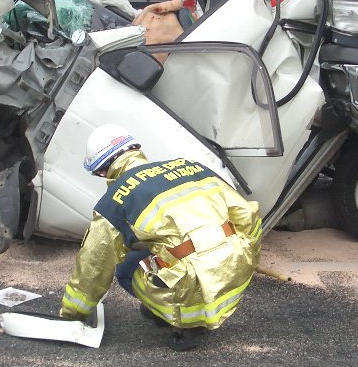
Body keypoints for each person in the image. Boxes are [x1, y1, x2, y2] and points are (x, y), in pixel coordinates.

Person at [59, 124, 263, 351]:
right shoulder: (190, 166)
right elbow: (247, 215)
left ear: (103, 171)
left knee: (126, 268)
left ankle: (186, 323)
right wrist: (248, 256)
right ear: (136, 149)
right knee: (162, 251)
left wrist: (73, 313)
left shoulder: (116, 199)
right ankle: (170, 305)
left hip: (195, 282)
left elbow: (94, 263)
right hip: (236, 267)